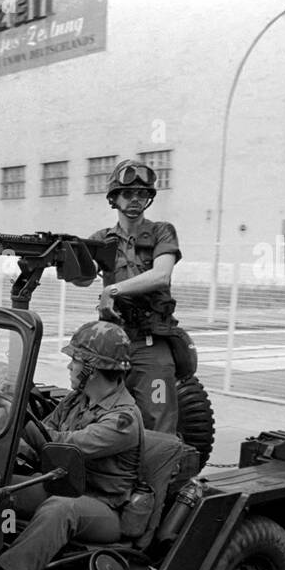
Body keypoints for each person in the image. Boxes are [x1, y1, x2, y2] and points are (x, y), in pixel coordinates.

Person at [0, 321, 141, 570]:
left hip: (102, 506)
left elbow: (59, 445)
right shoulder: (76, 400)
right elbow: (38, 444)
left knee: (60, 509)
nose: (69, 367)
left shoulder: (123, 420)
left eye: (75, 360)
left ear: (91, 368)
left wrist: (16, 412)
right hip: (61, 484)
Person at [85, 160, 184, 434]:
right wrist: (62, 258)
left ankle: (159, 475)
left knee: (159, 416)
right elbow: (81, 278)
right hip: (112, 344)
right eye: (128, 194)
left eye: (142, 194)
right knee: (102, 414)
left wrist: (112, 290)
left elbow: (161, 275)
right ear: (114, 199)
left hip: (152, 345)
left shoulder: (161, 231)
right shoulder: (102, 239)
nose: (135, 201)